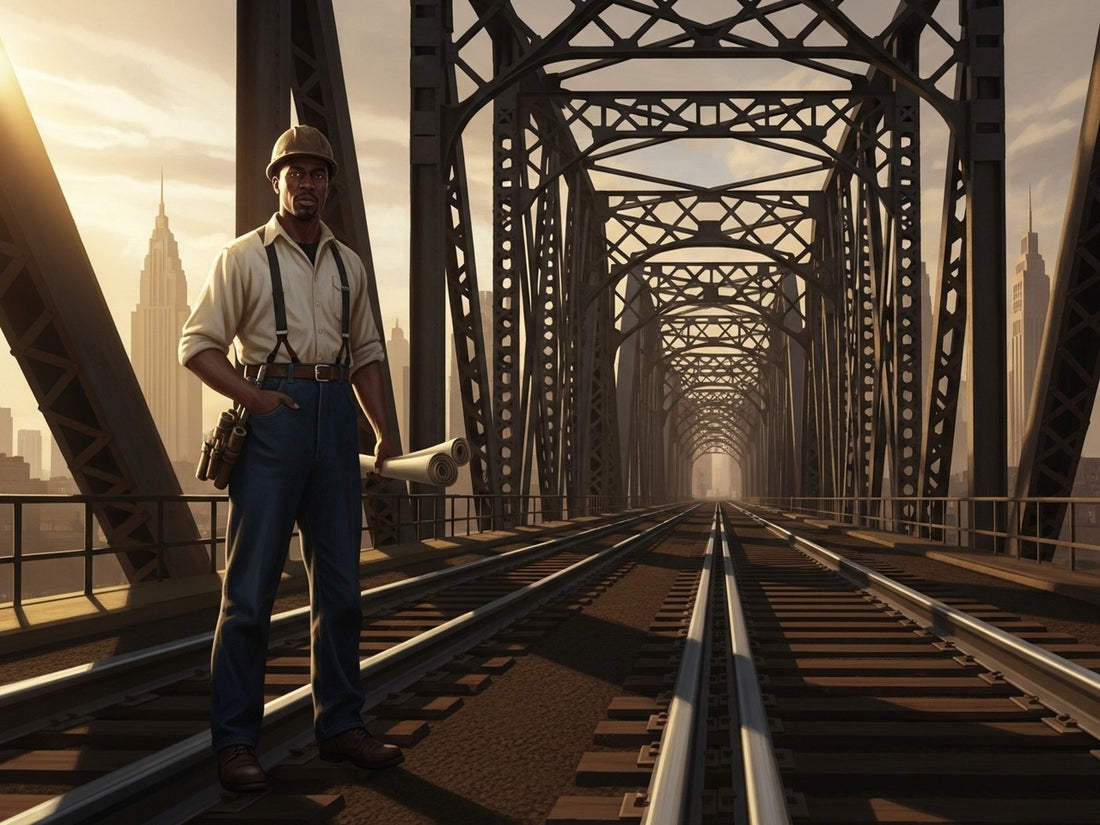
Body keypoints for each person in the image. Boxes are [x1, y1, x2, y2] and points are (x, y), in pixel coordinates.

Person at [179, 124, 404, 793]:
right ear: (276, 180)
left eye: (318, 174)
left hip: (336, 421)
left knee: (341, 591)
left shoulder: (348, 265)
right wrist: (256, 396)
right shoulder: (243, 257)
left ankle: (340, 725)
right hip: (273, 413)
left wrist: (383, 432)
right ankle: (236, 742)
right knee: (248, 593)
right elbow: (197, 344)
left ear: (330, 184)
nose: (308, 184)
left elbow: (365, 354)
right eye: (296, 173)